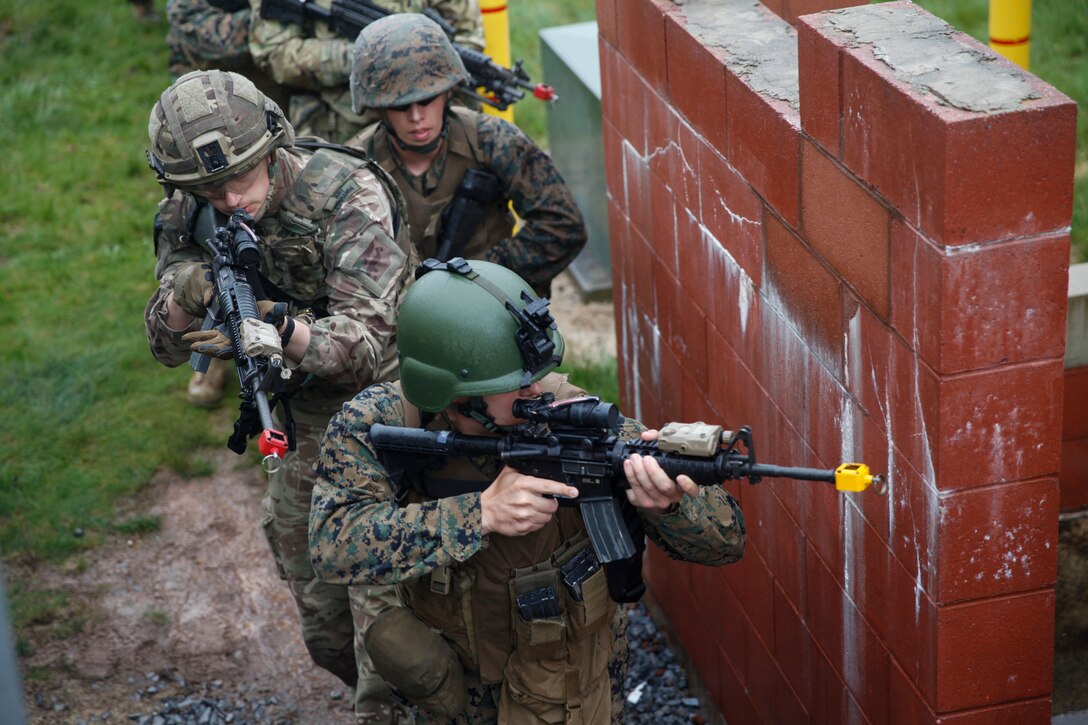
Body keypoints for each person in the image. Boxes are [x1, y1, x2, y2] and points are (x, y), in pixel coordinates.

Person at [309, 259, 747, 723]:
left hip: (571, 685)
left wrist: (671, 505)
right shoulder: (377, 422)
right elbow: (332, 544)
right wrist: (479, 514)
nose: (537, 389)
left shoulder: (568, 413)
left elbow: (726, 543)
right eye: (517, 382)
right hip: (454, 686)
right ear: (460, 395)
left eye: (536, 372)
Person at [143, 69, 417, 724]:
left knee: (388, 631)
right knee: (325, 628)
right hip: (299, 421)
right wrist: (187, 294)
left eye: (242, 176)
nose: (231, 198)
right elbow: (164, 345)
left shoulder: (346, 194)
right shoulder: (188, 210)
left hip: (385, 412)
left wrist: (276, 328)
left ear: (273, 146)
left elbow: (360, 353)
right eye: (211, 187)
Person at [347, 14, 585, 299]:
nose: (416, 117)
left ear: (448, 93)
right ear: (378, 108)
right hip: (397, 314)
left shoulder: (493, 141)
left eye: (427, 99)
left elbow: (563, 226)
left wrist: (475, 277)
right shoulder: (356, 165)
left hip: (491, 302)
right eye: (400, 106)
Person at [165, 0, 293, 407]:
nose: (232, 200)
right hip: (199, 123)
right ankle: (220, 347)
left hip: (269, 114)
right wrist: (273, 22)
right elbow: (200, 31)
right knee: (210, 247)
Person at [248, 0, 485, 144]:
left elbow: (468, 38)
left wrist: (416, 61)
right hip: (335, 121)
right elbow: (274, 53)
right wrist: (363, 55)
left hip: (426, 116)